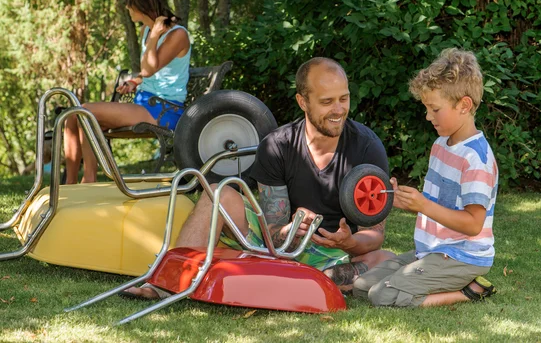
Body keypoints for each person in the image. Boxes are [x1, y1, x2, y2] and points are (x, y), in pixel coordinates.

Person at [124, 57, 393, 300]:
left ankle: (310, 281)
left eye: (343, 99)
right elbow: (273, 232)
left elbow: (376, 235)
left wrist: (348, 242)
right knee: (219, 192)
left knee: (387, 259)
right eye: (326, 102)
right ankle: (167, 283)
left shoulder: (368, 147)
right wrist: (288, 231)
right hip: (278, 247)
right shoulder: (277, 145)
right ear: (303, 102)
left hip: (337, 256)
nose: (338, 110)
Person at [353, 48, 498, 308]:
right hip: (432, 252)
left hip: (461, 256)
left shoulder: (477, 159)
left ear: (464, 105)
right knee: (362, 287)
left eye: (434, 109)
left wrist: (423, 205)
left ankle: (468, 291)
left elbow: (474, 224)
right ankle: (430, 282)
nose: (428, 116)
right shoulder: (441, 145)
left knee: (381, 296)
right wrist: (406, 201)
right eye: (426, 108)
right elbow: (437, 204)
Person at [64, 0, 191, 184]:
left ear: (143, 4)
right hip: (145, 104)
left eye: (130, 3)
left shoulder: (177, 35)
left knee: (85, 111)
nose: (127, 8)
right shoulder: (146, 31)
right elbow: (153, 72)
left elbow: (149, 68)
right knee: (72, 116)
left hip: (164, 110)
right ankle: (69, 184)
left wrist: (155, 35)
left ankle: (88, 180)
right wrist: (135, 81)